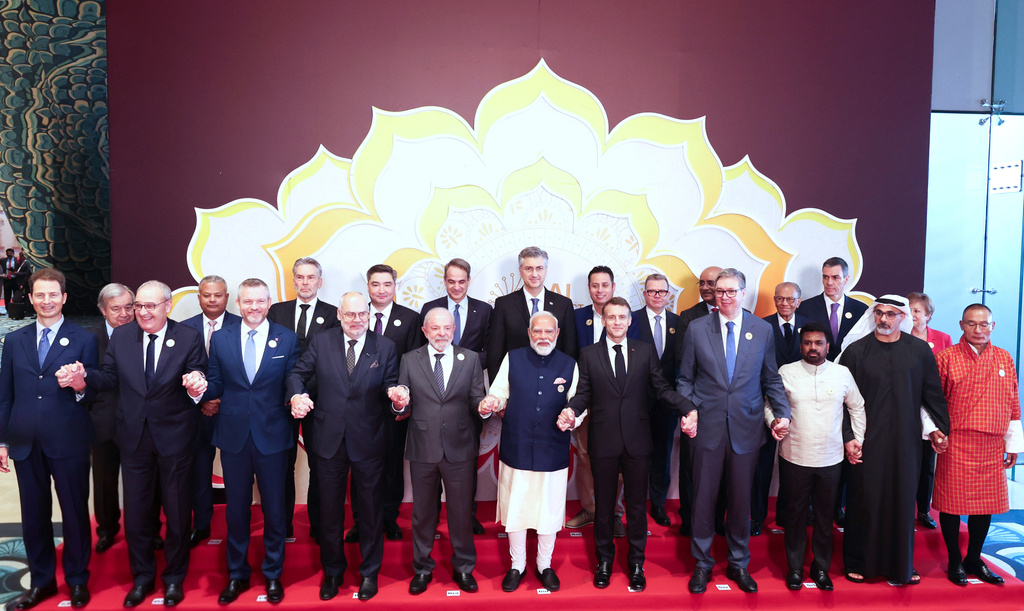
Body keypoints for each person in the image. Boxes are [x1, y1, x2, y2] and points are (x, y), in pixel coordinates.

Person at [69, 280, 208, 607]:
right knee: (136, 515)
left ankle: (173, 579)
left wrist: (196, 384)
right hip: (133, 439)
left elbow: (199, 373)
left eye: (150, 306)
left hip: (175, 439)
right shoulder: (122, 336)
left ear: (167, 306)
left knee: (177, 515)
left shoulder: (188, 337)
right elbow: (108, 377)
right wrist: (83, 380)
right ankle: (142, 578)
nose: (142, 312)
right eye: (139, 306)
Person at [676, 268, 791, 594]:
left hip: (746, 428)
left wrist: (782, 413)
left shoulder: (762, 329)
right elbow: (685, 379)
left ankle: (739, 563)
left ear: (743, 293)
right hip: (706, 429)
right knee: (702, 501)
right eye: (719, 291)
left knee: (741, 502)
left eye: (730, 291)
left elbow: (770, 378)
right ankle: (702, 563)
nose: (724, 296)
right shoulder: (697, 329)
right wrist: (688, 410)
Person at [566, 297, 692, 592]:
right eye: (611, 317)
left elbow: (661, 388)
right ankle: (604, 562)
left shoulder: (644, 351)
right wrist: (571, 410)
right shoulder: (588, 354)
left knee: (636, 506)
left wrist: (687, 407)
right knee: (604, 506)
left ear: (629, 320)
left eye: (622, 317)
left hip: (638, 441)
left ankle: (636, 563)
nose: (617, 322)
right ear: (604, 320)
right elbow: (583, 394)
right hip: (603, 442)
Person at [287, 292, 400, 601]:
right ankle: (333, 572)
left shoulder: (385, 346)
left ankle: (369, 573)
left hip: (369, 440)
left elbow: (391, 386)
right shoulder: (322, 342)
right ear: (339, 314)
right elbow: (298, 373)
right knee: (329, 511)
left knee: (371, 511)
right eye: (350, 314)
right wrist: (296, 395)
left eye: (362, 314)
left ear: (369, 314)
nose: (356, 320)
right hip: (327, 439)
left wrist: (397, 398)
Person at [0, 268, 98, 610]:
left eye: (53, 294)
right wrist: (2, 441)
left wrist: (80, 384)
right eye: (40, 295)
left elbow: (93, 394)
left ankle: (77, 580)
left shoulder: (84, 339)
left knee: (74, 513)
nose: (47, 301)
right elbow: (5, 395)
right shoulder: (15, 341)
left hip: (69, 440)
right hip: (25, 441)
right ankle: (41, 581)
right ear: (30, 298)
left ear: (64, 297)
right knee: (33, 517)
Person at [838, 294, 950, 585]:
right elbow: (842, 402)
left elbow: (931, 395)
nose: (883, 319)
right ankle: (859, 562)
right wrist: (848, 437)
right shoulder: (855, 352)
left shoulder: (919, 351)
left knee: (902, 501)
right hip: (866, 442)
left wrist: (938, 428)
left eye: (890, 314)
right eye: (879, 313)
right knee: (865, 500)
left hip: (905, 442)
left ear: (903, 317)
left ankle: (902, 565)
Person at [204, 279, 300, 604]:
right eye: (248, 301)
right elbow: (216, 382)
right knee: (236, 510)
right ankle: (237, 574)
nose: (254, 307)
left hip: (273, 436)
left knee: (274, 509)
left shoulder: (287, 338)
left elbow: (292, 379)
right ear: (238, 304)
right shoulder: (221, 338)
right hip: (233, 437)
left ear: (269, 302)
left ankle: (273, 574)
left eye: (260, 301)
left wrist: (297, 395)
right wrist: (198, 388)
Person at [478, 311, 578, 593]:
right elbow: (499, 392)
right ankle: (517, 565)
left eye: (549, 331)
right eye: (538, 331)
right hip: (517, 446)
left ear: (557, 334)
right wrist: (492, 402)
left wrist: (573, 417)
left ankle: (545, 565)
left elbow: (577, 402)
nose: (543, 337)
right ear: (529, 333)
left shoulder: (570, 364)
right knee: (516, 508)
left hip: (553, 448)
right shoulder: (513, 358)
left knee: (549, 510)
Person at [392, 308, 485, 595]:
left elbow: (476, 399)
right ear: (425, 331)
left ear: (454, 329)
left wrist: (483, 407)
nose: (441, 333)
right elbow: (403, 402)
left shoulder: (471, 358)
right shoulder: (410, 359)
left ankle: (464, 567)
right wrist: (398, 403)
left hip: (460, 447)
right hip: (423, 446)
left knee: (461, 512)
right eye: (435, 328)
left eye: (447, 328)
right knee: (422, 514)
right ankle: (422, 568)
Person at [933, 303, 1023, 586]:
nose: (978, 329)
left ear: (992, 326)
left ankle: (974, 557)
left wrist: (1013, 443)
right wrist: (936, 432)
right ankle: (954, 560)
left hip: (992, 443)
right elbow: (935, 401)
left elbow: (1013, 401)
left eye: (984, 324)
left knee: (985, 505)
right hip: (957, 441)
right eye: (972, 323)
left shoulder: (1004, 358)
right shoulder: (946, 357)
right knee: (951, 504)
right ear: (961, 325)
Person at [773, 321, 865, 591]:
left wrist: (857, 439)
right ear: (800, 345)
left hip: (831, 458)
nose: (812, 348)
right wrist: (774, 421)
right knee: (795, 515)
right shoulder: (786, 372)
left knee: (825, 517)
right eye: (807, 343)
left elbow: (857, 407)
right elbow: (771, 403)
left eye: (818, 343)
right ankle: (795, 567)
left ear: (827, 346)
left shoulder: (841, 373)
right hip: (794, 455)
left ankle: (821, 567)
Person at [347, 264, 424, 543]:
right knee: (360, 466)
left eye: (387, 284)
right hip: (358, 408)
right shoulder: (355, 315)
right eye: (376, 284)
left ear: (395, 286)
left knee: (392, 464)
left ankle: (389, 517)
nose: (381, 290)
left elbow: (415, 362)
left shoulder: (410, 318)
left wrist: (406, 403)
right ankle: (361, 521)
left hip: (394, 407)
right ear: (368, 286)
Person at [267, 257, 339, 541]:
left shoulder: (333, 314)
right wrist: (293, 393)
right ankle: (282, 526)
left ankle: (319, 528)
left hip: (321, 402)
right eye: (300, 277)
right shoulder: (277, 312)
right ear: (294, 280)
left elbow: (333, 360)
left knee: (319, 466)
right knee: (281, 465)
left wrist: (308, 394)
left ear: (319, 282)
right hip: (282, 401)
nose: (305, 282)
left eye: (311, 277)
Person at [420, 258, 492, 537]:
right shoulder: (430, 309)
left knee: (465, 456)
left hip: (469, 393)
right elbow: (421, 352)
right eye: (451, 281)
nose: (457, 286)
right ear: (444, 281)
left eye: (462, 281)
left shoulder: (484, 310)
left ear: (469, 281)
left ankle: (467, 515)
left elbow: (491, 349)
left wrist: (462, 362)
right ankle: (433, 516)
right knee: (432, 458)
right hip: (434, 394)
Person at [181, 275, 241, 548]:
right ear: (199, 298)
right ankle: (202, 524)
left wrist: (218, 399)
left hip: (232, 412)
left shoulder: (243, 325)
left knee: (237, 473)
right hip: (196, 413)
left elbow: (246, 373)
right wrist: (202, 399)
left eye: (218, 295)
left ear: (227, 297)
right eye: (207, 295)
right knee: (199, 469)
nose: (213, 300)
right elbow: (178, 370)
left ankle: (238, 527)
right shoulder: (184, 328)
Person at [566, 266, 624, 534]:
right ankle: (590, 509)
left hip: (619, 402)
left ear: (613, 287)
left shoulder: (626, 317)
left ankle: (614, 513)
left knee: (618, 457)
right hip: (584, 400)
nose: (600, 290)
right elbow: (568, 356)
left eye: (605, 285)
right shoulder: (576, 317)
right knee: (585, 455)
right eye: (595, 285)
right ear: (588, 288)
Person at [753, 281, 810, 533]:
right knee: (761, 464)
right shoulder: (760, 325)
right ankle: (757, 516)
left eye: (790, 299)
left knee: (796, 463)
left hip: (801, 404)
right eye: (780, 298)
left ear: (799, 301)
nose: (784, 303)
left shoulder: (809, 326)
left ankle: (789, 514)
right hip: (765, 402)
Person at [626, 273, 680, 528]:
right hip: (635, 401)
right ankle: (632, 503)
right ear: (644, 294)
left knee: (662, 455)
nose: (657, 296)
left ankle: (658, 504)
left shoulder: (679, 323)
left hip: (667, 402)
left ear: (668, 294)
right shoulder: (631, 319)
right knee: (634, 456)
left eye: (662, 291)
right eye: (652, 291)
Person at [672, 265, 720, 535]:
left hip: (727, 408)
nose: (705, 287)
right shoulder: (688, 317)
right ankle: (689, 518)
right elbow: (683, 362)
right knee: (691, 465)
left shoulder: (745, 317)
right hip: (696, 402)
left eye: (711, 282)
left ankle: (718, 518)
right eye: (702, 282)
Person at [486, 246, 577, 382]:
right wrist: (499, 389)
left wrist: (565, 383)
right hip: (516, 382)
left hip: (554, 382)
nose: (534, 274)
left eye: (539, 268)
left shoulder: (563, 304)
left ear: (546, 270)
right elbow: (495, 352)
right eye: (528, 268)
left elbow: (570, 351)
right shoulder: (504, 304)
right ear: (520, 271)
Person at [90, 283, 135, 555]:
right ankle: (106, 530)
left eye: (129, 307)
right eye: (116, 309)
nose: (124, 314)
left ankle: (147, 529)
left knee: (141, 482)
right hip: (103, 423)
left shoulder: (145, 333)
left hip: (139, 423)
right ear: (103, 310)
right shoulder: (89, 340)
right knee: (104, 482)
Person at [907, 291, 953, 530]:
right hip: (905, 407)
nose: (912, 315)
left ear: (928, 315)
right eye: (909, 310)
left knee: (926, 464)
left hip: (931, 409)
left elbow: (949, 374)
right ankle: (903, 509)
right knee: (904, 462)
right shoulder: (898, 335)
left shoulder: (943, 339)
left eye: (917, 311)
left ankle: (923, 510)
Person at [796, 257, 868, 362]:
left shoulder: (860, 310)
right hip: (815, 368)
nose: (829, 282)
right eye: (825, 277)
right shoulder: (804, 308)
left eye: (835, 278)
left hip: (850, 368)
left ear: (846, 279)